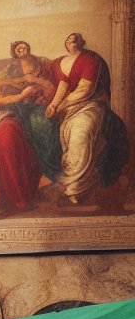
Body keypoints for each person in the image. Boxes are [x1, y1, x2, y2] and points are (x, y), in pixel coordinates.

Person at [44, 32, 111, 204]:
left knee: (81, 132)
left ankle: (76, 187)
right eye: (69, 39)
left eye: (76, 39)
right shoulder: (61, 62)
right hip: (68, 107)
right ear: (65, 44)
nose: (72, 41)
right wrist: (53, 105)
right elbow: (63, 84)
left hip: (90, 104)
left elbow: (85, 90)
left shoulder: (90, 59)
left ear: (82, 43)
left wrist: (61, 106)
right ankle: (68, 183)